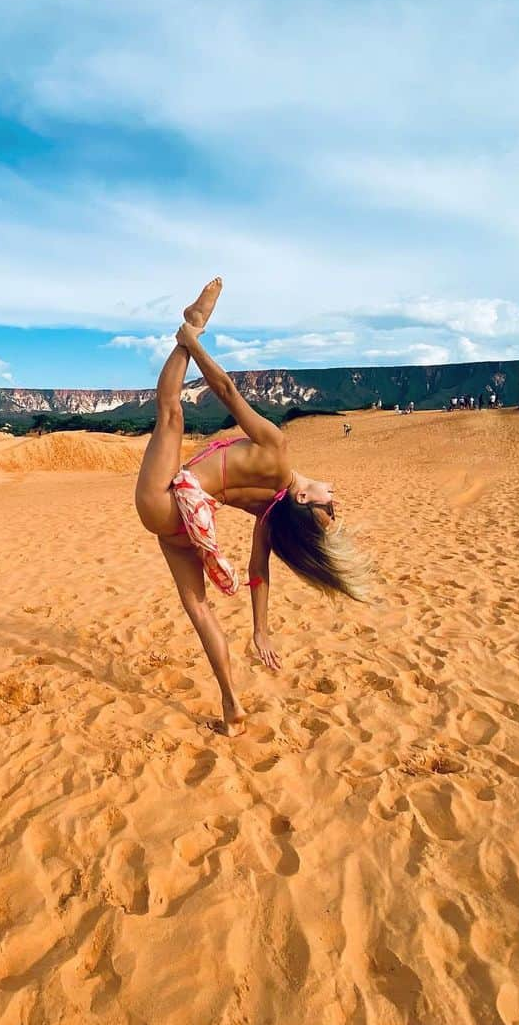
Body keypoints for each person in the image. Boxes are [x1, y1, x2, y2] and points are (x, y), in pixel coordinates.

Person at [134, 279, 370, 737]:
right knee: (200, 611)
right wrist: (259, 631)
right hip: (186, 529)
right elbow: (258, 572)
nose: (332, 493)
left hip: (164, 502)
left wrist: (192, 344)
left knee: (170, 414)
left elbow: (224, 389)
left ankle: (191, 325)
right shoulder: (270, 513)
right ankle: (232, 707)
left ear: (304, 498)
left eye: (329, 502)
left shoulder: (278, 451)